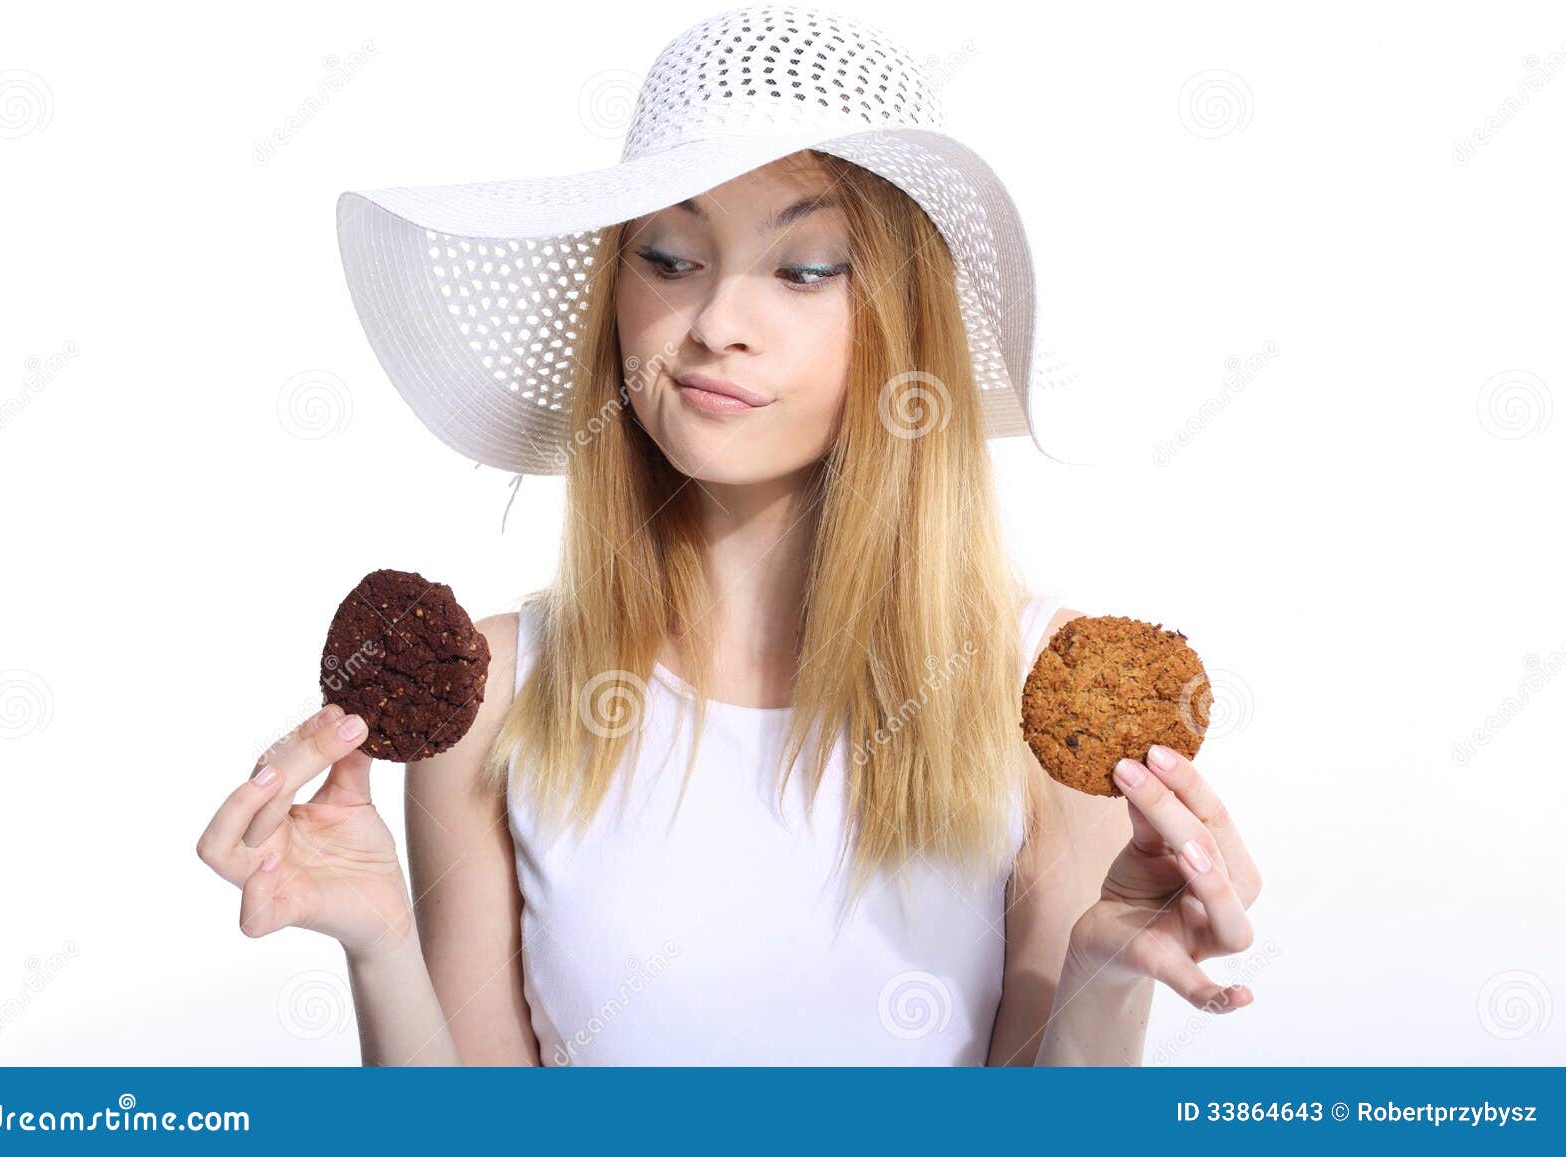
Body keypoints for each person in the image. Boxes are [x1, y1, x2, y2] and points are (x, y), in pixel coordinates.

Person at [196, 4, 1261, 1066]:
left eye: (803, 268)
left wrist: (1108, 975)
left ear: (903, 322)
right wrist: (383, 946)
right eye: (668, 255)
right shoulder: (500, 699)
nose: (714, 323)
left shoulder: (1033, 699)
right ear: (614, 292)